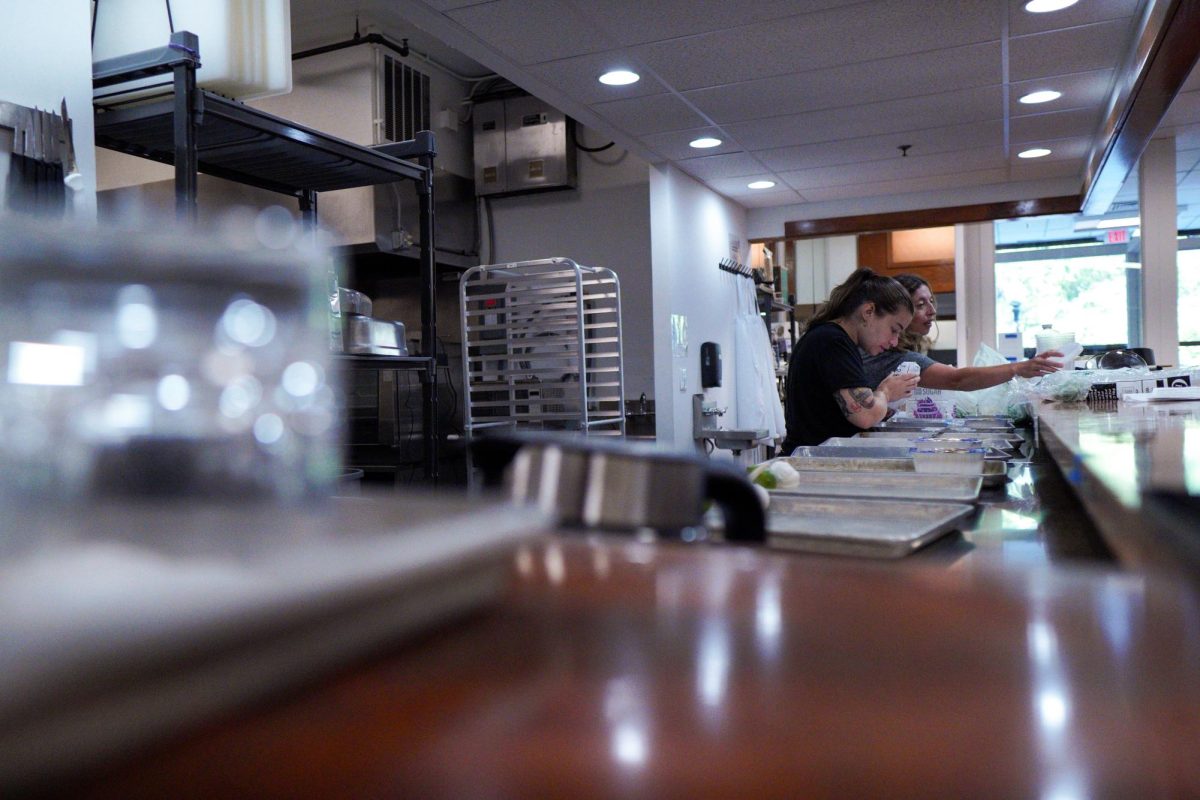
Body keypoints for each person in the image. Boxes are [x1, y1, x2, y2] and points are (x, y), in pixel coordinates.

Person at [780, 268, 920, 452]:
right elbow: (865, 415)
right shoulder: (833, 341)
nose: (894, 342)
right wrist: (886, 391)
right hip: (813, 463)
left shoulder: (832, 338)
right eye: (894, 329)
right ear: (868, 311)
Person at [861, 273, 1063, 391]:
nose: (932, 311)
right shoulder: (888, 355)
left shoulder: (901, 354)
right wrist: (1017, 369)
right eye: (920, 304)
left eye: (931, 301)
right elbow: (957, 379)